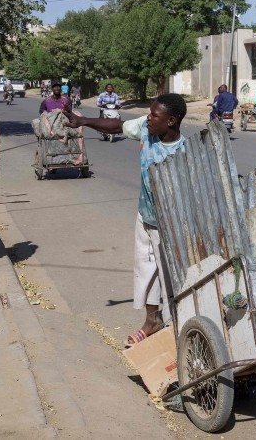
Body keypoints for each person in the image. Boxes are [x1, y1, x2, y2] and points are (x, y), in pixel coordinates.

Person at [63, 94, 186, 346]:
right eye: (149, 114)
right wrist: (83, 120)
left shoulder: (182, 153)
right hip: (145, 216)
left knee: (170, 277)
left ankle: (180, 327)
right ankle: (152, 321)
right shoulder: (146, 130)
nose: (148, 119)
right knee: (145, 270)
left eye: (154, 115)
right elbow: (118, 126)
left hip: (169, 226)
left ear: (171, 121)